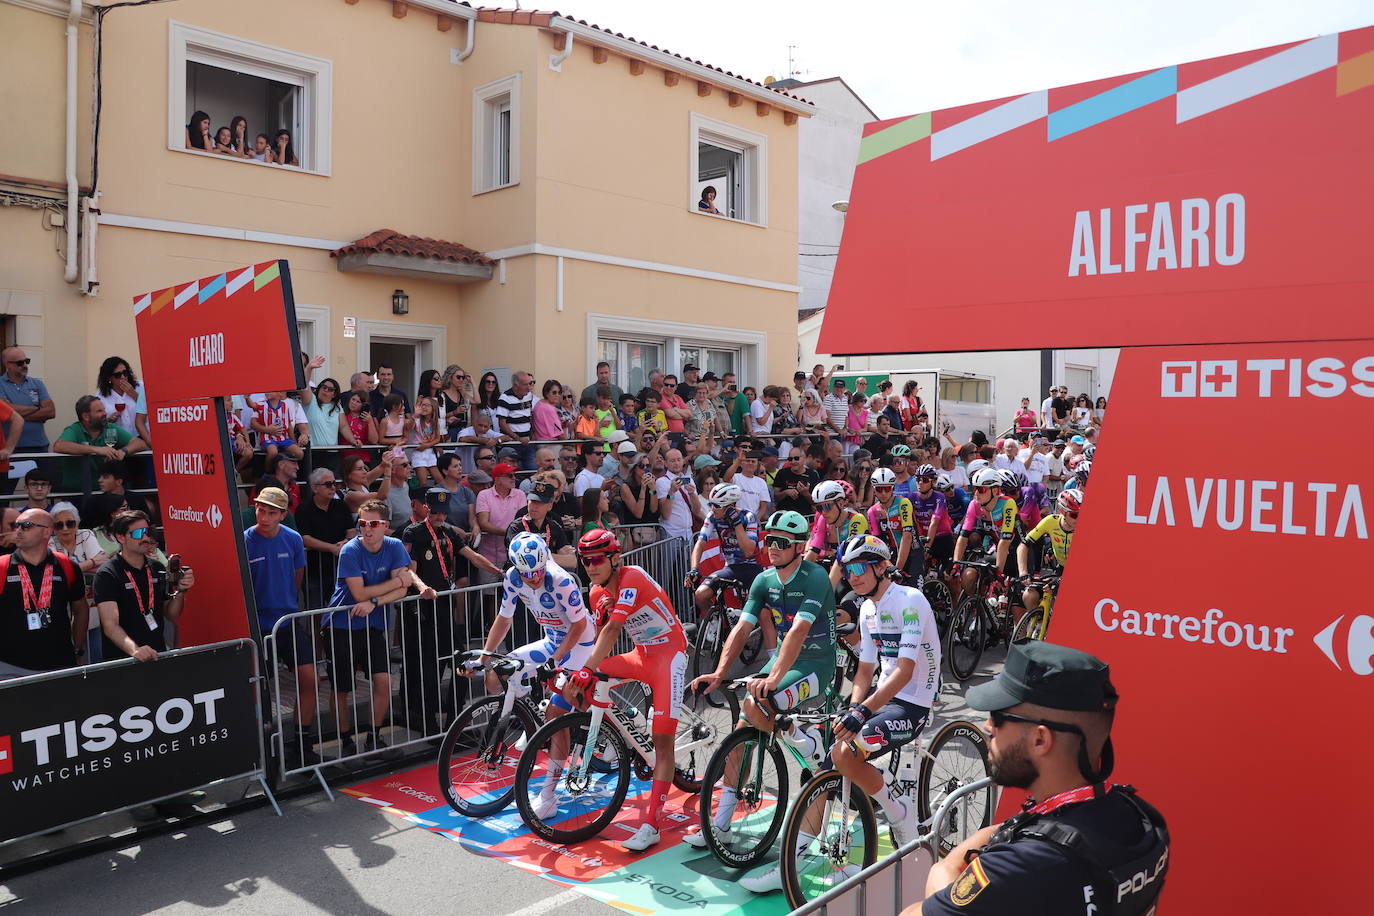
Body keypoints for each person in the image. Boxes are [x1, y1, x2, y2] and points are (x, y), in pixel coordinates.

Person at [908, 640, 1168, 915]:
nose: (987, 726)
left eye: (998, 717)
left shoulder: (1024, 864)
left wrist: (944, 868)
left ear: (1040, 739)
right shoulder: (1140, 817)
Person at [685, 511, 837, 887]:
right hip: (784, 659)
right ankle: (718, 824)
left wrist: (771, 677)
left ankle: (808, 743)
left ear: (800, 547)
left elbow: (799, 632)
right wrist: (721, 672)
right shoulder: (765, 579)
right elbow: (742, 628)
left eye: (782, 543)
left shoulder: (814, 577)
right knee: (739, 734)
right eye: (769, 540)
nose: (772, 548)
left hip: (816, 664)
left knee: (761, 702)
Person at [567, 529, 690, 853]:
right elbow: (598, 640)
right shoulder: (595, 592)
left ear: (615, 559)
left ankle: (650, 826)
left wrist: (588, 667)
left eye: (597, 560)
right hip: (641, 656)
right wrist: (581, 673)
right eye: (585, 561)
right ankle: (615, 735)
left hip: (668, 655)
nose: (591, 566)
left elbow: (613, 629)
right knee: (578, 687)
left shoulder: (632, 576)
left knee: (662, 747)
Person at [830, 536, 940, 845]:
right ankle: (797, 849)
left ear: (881, 566)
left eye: (860, 568)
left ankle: (900, 813)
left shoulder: (910, 600)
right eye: (847, 570)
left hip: (914, 701)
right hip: (885, 696)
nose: (853, 577)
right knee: (831, 755)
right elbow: (864, 671)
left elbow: (904, 671)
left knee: (848, 751)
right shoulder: (866, 609)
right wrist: (854, 706)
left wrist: (863, 711)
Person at [399, 488, 498, 732]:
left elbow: (473, 556)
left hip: (444, 605)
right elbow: (409, 569)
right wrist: (423, 587)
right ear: (426, 508)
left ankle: (455, 717)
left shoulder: (449, 532)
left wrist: (500, 573)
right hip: (422, 608)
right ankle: (430, 725)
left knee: (462, 661)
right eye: (436, 512)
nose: (440, 517)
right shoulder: (413, 532)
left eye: (444, 513)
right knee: (430, 668)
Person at [321, 499, 414, 752]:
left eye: (373, 524)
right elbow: (361, 593)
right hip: (342, 625)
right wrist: (395, 584)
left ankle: (374, 736)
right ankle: (345, 739)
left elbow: (403, 592)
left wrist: (375, 601)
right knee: (341, 688)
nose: (367, 529)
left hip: (372, 623)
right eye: (362, 523)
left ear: (385, 526)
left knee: (383, 682)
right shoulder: (350, 550)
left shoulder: (394, 546)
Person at [244, 487, 317, 764]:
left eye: (271, 512)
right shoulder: (245, 541)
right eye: (261, 510)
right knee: (258, 689)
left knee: (309, 679)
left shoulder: (293, 539)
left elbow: (296, 579)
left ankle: (301, 744)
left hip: (288, 621)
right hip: (258, 627)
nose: (264, 516)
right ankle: (263, 749)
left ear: (283, 515)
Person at [94, 509, 193, 662]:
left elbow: (171, 614)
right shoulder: (107, 574)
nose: (145, 537)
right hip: (122, 661)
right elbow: (110, 625)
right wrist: (135, 650)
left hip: (157, 655)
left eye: (147, 531)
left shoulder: (157, 567)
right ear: (121, 537)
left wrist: (181, 590)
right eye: (138, 533)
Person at [0, 508, 87, 678]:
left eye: (26, 525)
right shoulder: (2, 566)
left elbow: (81, 608)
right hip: (9, 667)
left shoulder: (66, 566)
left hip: (60, 665)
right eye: (16, 525)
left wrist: (78, 648)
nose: (17, 530)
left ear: (47, 532)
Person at [686, 482, 762, 626]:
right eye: (711, 504)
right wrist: (694, 568)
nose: (712, 508)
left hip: (752, 568)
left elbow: (748, 551)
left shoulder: (749, 517)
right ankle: (717, 624)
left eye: (717, 505)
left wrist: (737, 524)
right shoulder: (712, 517)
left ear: (730, 507)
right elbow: (700, 542)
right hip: (731, 568)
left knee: (762, 612)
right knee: (700, 595)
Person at [53, 395, 147, 493]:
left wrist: (123, 451)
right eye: (99, 411)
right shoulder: (74, 430)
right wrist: (97, 449)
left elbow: (140, 443)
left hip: (107, 494)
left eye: (104, 410)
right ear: (86, 416)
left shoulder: (110, 428)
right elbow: (59, 446)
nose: (105, 413)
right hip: (76, 494)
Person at [954, 468, 1022, 596]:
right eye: (974, 488)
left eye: (981, 489)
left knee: (1015, 607)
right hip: (998, 552)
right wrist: (956, 564)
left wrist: (999, 573)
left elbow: (1005, 542)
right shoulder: (974, 505)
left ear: (995, 490)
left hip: (1017, 553)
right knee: (968, 575)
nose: (976, 493)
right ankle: (976, 607)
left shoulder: (1008, 503)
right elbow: (963, 537)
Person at [0, 347, 56, 477]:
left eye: (26, 361)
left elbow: (50, 412)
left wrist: (13, 414)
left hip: (39, 447)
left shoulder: (37, 384)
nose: (24, 365)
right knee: (6, 492)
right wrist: (36, 408)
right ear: (7, 364)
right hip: (11, 449)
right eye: (19, 363)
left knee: (45, 487)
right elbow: (4, 410)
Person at [867, 467, 921, 582]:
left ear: (893, 488)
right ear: (874, 489)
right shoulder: (872, 512)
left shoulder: (903, 503)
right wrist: (890, 566)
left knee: (914, 591)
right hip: (890, 556)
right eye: (879, 489)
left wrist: (898, 568)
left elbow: (907, 536)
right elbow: (878, 543)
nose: (883, 493)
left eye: (887, 489)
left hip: (912, 552)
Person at [475, 462, 526, 580]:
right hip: (488, 555)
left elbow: (522, 521)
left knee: (515, 592)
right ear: (497, 479)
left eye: (514, 475)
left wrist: (509, 533)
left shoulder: (520, 494)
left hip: (515, 554)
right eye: (509, 475)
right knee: (488, 595)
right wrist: (508, 533)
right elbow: (483, 523)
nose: (514, 478)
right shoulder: (484, 495)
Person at [507, 478, 574, 568]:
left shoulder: (554, 526)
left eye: (540, 503)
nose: (535, 506)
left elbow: (572, 561)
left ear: (549, 506)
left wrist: (538, 555)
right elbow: (524, 557)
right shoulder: (516, 527)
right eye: (532, 501)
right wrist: (553, 556)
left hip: (548, 576)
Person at [496, 370, 536, 470]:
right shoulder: (505, 398)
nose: (528, 387)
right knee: (514, 472)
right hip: (512, 444)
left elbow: (529, 416)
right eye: (525, 384)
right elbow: (502, 424)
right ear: (515, 385)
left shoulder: (529, 395)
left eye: (529, 384)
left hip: (527, 442)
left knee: (531, 471)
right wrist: (518, 438)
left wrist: (532, 434)